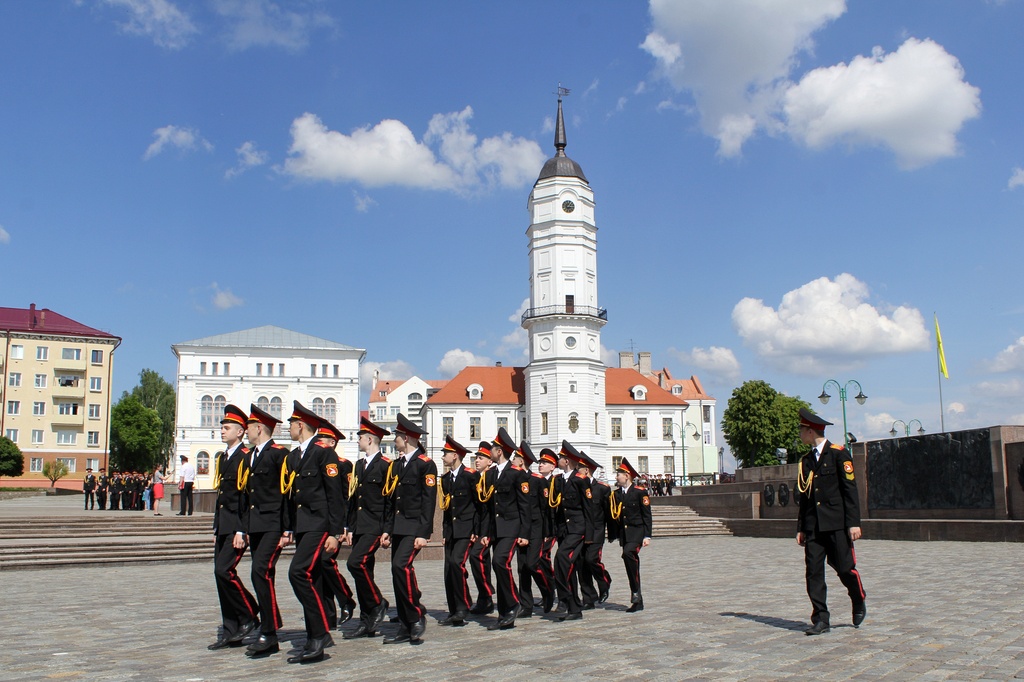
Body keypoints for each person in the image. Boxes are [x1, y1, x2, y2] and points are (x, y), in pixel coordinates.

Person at [283, 401, 345, 664]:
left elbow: (335, 496)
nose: (288, 428)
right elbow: (291, 495)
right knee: (313, 578)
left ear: (300, 425)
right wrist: (288, 527)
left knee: (297, 572)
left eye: (290, 424)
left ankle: (319, 631)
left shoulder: (323, 453)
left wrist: (335, 531)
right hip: (303, 525)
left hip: (319, 525)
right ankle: (315, 636)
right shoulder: (294, 456)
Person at [796, 408, 867, 636]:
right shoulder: (806, 461)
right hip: (814, 527)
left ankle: (857, 598)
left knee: (846, 569)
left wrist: (853, 522)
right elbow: (805, 497)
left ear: (809, 431)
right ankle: (821, 619)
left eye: (801, 429)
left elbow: (850, 490)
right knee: (814, 573)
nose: (799, 433)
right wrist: (801, 528)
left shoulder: (838, 454)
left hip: (837, 524)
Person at [241, 403, 292, 659]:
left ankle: (269, 631)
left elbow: (286, 494)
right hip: (257, 524)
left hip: (273, 525)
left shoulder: (278, 454)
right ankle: (269, 628)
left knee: (261, 571)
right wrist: (245, 528)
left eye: (248, 427)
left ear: (259, 428)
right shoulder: (251, 455)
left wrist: (287, 528)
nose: (245, 431)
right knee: (259, 574)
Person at [208, 404, 259, 651]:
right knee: (219, 577)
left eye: (227, 428)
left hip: (236, 526)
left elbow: (246, 497)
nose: (222, 431)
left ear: (240, 432)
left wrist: (242, 530)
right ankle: (231, 630)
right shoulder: (223, 457)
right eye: (222, 427)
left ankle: (250, 613)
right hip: (223, 524)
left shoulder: (246, 457)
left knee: (224, 571)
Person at [382, 413, 437, 645]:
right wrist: (386, 529)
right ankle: (405, 623)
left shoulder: (425, 464)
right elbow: (390, 500)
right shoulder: (397, 465)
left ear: (406, 438)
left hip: (414, 527)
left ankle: (415, 615)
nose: (395, 440)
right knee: (397, 574)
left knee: (400, 567)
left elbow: (428, 501)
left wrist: (423, 533)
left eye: (397, 436)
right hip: (398, 527)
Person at [343, 416, 392, 640]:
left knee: (355, 563)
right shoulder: (359, 465)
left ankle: (378, 602)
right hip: (361, 526)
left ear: (370, 439)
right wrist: (350, 527)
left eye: (360, 437)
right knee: (364, 571)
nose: (358, 440)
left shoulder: (385, 465)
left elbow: (391, 500)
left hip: (375, 526)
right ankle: (367, 620)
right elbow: (354, 499)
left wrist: (387, 529)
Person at [480, 427, 530, 631]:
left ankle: (514, 601)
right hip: (495, 529)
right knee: (498, 566)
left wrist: (524, 534)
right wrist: (484, 532)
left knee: (500, 561)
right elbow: (487, 507)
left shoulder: (517, 474)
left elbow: (525, 507)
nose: (490, 450)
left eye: (493, 448)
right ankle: (504, 614)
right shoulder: (490, 474)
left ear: (499, 451)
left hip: (512, 527)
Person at [314, 418, 357, 631]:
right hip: (318, 523)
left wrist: (343, 527)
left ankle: (346, 598)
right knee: (318, 571)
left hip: (335, 524)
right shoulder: (313, 460)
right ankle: (327, 615)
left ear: (331, 443)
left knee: (325, 562)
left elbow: (345, 497)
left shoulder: (343, 464)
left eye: (321, 440)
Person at [438, 435, 480, 627]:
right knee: (449, 570)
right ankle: (454, 609)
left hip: (466, 529)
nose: (443, 457)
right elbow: (447, 509)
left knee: (457, 564)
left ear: (455, 456)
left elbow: (479, 506)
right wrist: (445, 533)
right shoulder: (446, 479)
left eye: (445, 454)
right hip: (452, 531)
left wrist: (477, 530)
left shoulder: (471, 476)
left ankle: (463, 606)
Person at [552, 440, 591, 622]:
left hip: (578, 529)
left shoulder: (580, 480)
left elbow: (589, 510)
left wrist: (589, 536)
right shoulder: (558, 480)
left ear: (567, 461)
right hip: (564, 530)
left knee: (561, 558)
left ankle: (566, 599)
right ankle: (574, 607)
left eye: (560, 457)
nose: (557, 460)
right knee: (569, 566)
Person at [608, 458, 651, 612]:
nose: (616, 477)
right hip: (625, 535)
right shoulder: (617, 494)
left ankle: (636, 594)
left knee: (628, 554)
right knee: (630, 564)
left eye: (618, 474)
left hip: (637, 533)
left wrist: (647, 535)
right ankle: (637, 596)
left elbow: (647, 515)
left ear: (627, 475)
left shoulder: (640, 492)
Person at [578, 451, 612, 609]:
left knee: (592, 560)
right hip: (581, 530)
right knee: (581, 564)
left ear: (586, 470)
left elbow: (608, 512)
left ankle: (604, 580)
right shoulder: (577, 485)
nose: (576, 470)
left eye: (579, 468)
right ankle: (588, 598)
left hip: (597, 530)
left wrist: (612, 532)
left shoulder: (602, 489)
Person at [468, 442, 496, 616]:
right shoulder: (476, 478)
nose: (477, 461)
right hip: (479, 527)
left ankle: (487, 591)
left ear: (490, 462)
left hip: (492, 527)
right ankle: (484, 599)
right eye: (476, 458)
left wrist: (484, 532)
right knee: (482, 562)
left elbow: (489, 510)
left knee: (476, 556)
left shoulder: (492, 477)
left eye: (481, 458)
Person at [535, 447, 559, 613]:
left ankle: (551, 587)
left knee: (543, 557)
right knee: (539, 560)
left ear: (553, 466)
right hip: (540, 528)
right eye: (540, 462)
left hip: (553, 528)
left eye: (545, 463)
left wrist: (549, 532)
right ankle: (547, 591)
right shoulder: (537, 481)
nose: (540, 465)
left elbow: (553, 510)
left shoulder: (556, 482)